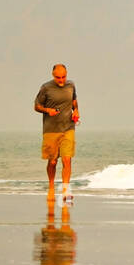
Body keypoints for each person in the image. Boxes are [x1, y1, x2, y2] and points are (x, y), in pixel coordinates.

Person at [34, 63, 80, 202]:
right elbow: (36, 106)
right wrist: (48, 110)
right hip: (51, 130)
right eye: (58, 77)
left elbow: (74, 101)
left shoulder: (71, 85)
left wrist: (76, 111)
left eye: (63, 76)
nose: (61, 80)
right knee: (53, 162)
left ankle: (66, 190)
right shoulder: (46, 88)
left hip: (68, 128)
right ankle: (51, 187)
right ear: (53, 76)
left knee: (67, 159)